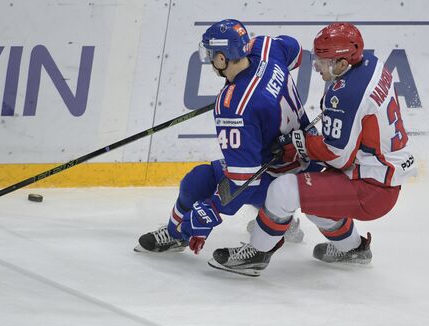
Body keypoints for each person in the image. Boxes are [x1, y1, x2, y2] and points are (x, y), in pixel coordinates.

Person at [209, 22, 418, 276]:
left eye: (323, 60)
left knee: (283, 190)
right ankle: (353, 250)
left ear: (342, 63)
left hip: (371, 188)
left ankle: (256, 254)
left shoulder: (346, 94)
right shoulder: (369, 64)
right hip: (379, 172)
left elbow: (339, 157)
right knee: (317, 201)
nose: (316, 65)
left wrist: (299, 143)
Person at [134, 19, 322, 255]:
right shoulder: (265, 48)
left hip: (285, 176)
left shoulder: (234, 107)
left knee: (200, 181)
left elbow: (244, 179)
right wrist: (257, 85)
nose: (210, 59)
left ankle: (178, 232)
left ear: (222, 58)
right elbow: (294, 51)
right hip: (307, 155)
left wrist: (209, 210)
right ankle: (283, 221)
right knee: (211, 175)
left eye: (212, 54)